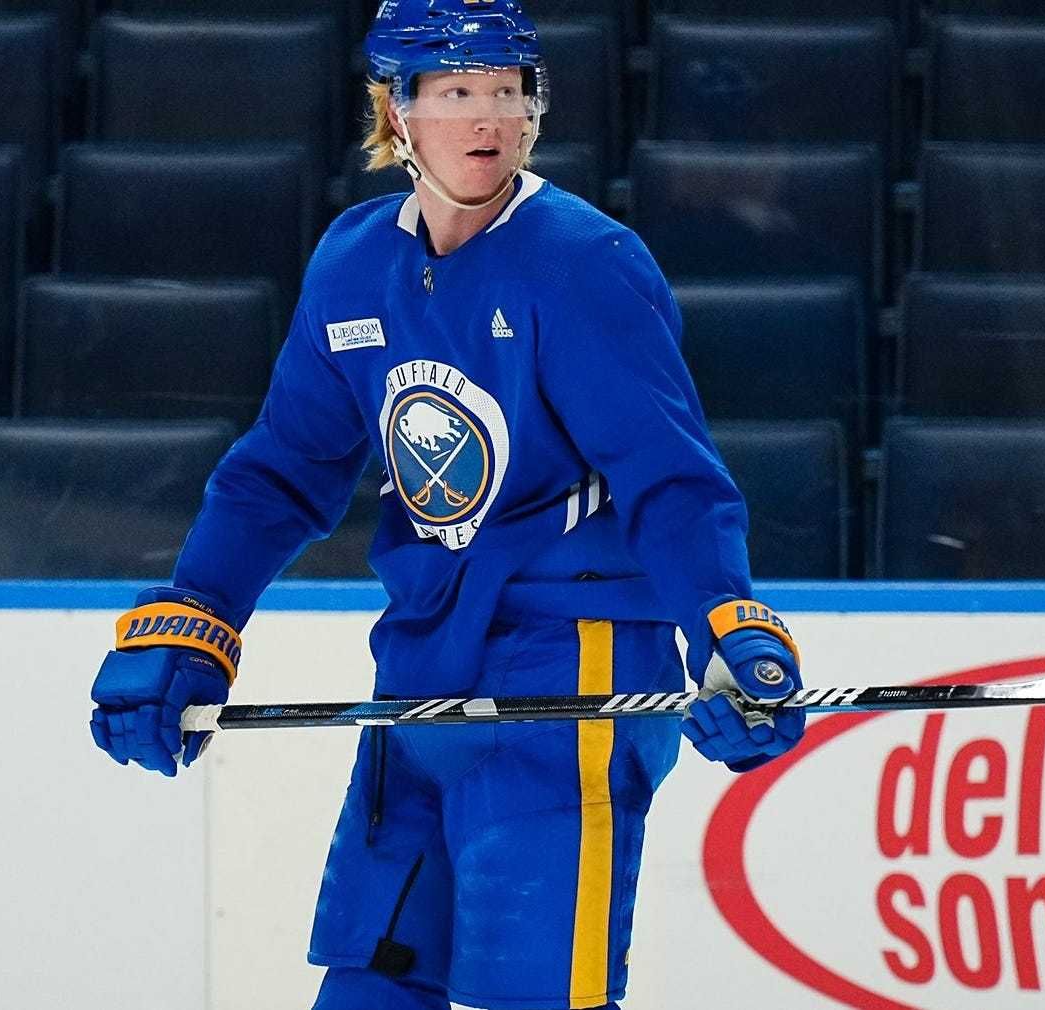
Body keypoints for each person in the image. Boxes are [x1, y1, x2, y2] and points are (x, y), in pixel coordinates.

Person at [88, 2, 806, 1007]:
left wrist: (725, 622)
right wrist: (198, 611)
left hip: (570, 669)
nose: (490, 119)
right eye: (460, 91)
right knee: (370, 984)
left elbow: (668, 479)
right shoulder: (352, 263)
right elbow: (284, 468)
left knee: (535, 997)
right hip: (421, 661)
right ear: (397, 111)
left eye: (510, 92)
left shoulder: (581, 265)